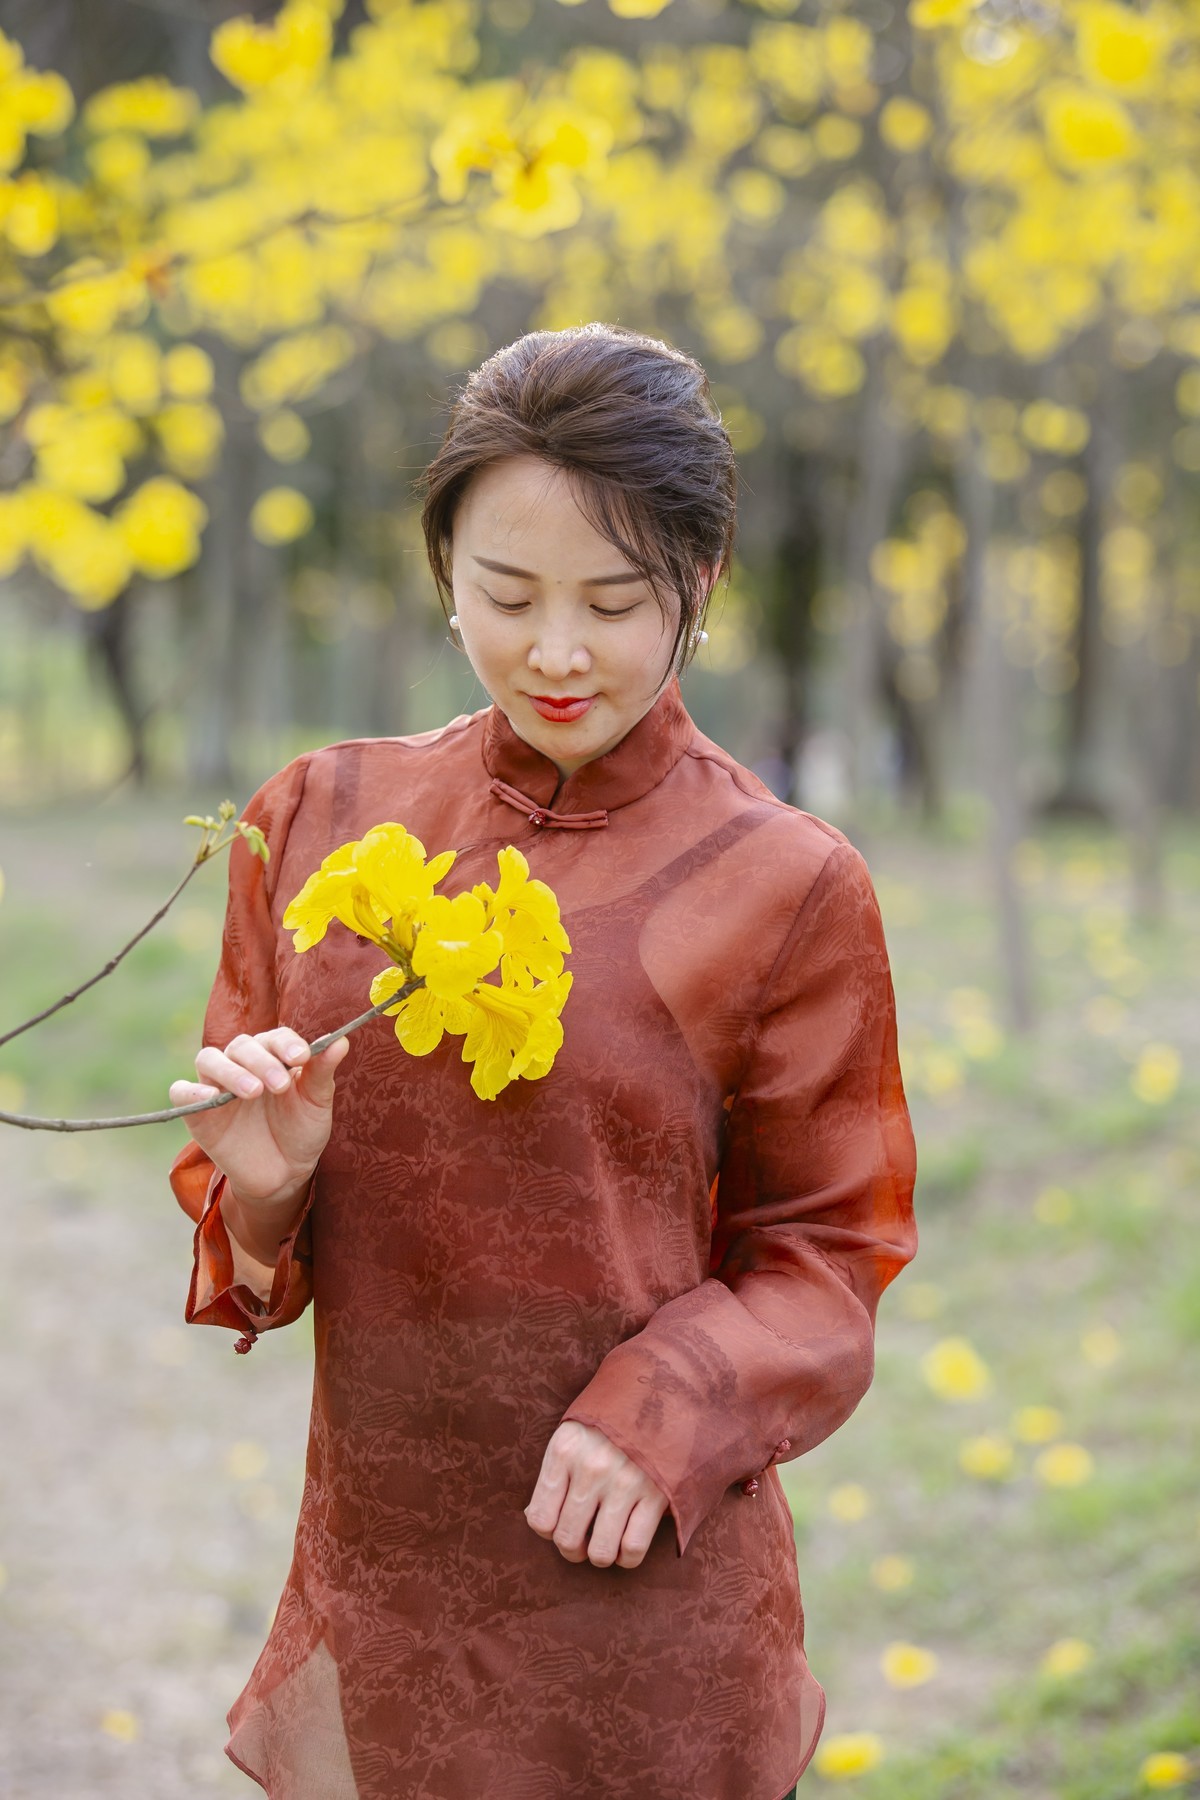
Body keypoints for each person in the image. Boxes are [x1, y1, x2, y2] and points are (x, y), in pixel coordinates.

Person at [168, 322, 918, 1800]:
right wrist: (264, 1196)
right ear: (443, 573)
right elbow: (255, 1246)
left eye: (614, 603)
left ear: (698, 590)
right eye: (505, 594)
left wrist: (672, 1408)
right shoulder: (318, 818)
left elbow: (830, 1254)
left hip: (638, 1590)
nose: (556, 653)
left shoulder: (783, 883)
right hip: (384, 1597)